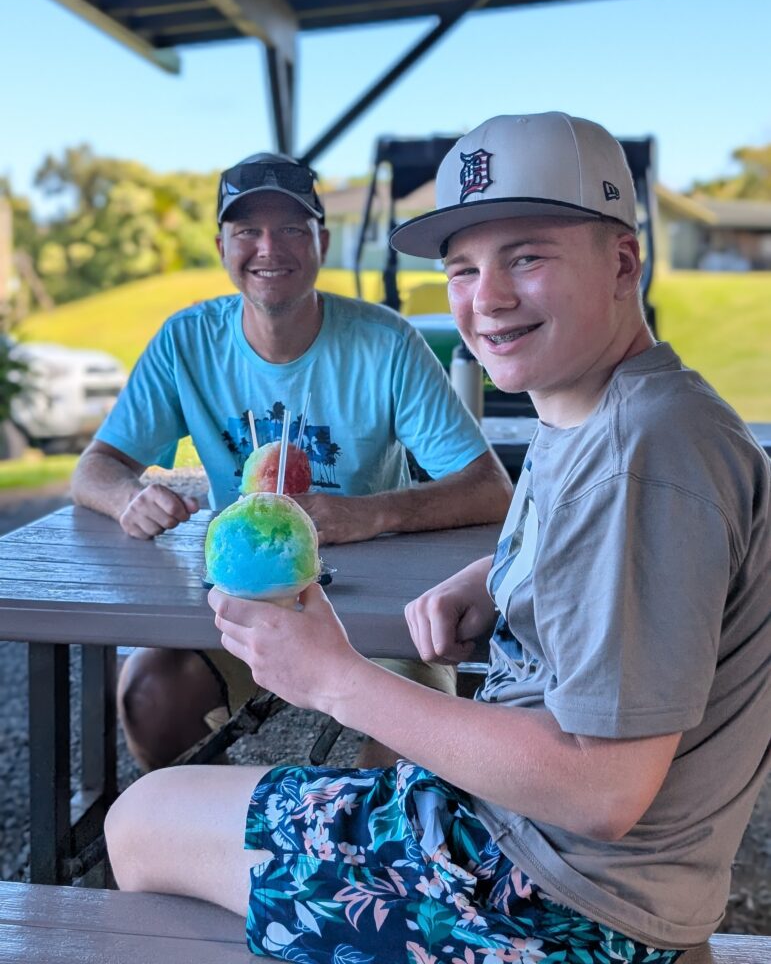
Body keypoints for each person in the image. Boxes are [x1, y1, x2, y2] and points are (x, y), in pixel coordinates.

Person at [104, 113, 770, 963]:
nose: (483, 299)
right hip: (544, 851)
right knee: (178, 812)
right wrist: (495, 575)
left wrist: (334, 679)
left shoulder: (646, 456)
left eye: (525, 257)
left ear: (622, 264)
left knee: (141, 824)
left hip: (555, 901)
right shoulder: (610, 412)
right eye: (461, 268)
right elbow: (613, 556)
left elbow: (603, 789)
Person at [70, 151, 513, 771]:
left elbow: (490, 487)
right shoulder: (186, 341)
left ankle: (366, 863)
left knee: (401, 754)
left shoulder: (386, 343)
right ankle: (200, 845)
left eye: (291, 229)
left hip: (377, 611)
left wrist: (369, 514)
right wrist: (127, 498)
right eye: (246, 230)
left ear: (321, 241)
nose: (267, 247)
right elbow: (96, 466)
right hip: (246, 596)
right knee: (149, 695)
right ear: (222, 245)